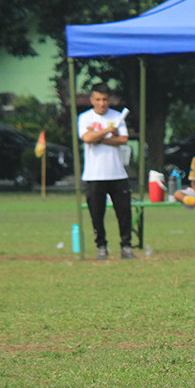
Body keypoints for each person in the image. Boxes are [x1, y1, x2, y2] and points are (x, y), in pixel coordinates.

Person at [78, 82, 135, 260]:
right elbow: (87, 138)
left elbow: (123, 139)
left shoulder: (117, 116)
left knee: (124, 213)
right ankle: (101, 246)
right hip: (94, 175)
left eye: (104, 99)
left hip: (117, 174)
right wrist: (108, 131)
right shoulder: (85, 118)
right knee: (96, 213)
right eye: (98, 99)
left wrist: (99, 138)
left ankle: (126, 246)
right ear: (92, 100)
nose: (102, 103)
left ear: (109, 100)